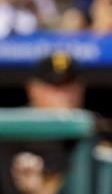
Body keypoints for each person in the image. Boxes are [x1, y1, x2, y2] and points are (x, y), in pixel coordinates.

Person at [0, 52, 86, 194]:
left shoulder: (92, 131)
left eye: (69, 86)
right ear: (32, 89)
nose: (64, 96)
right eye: (54, 88)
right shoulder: (9, 133)